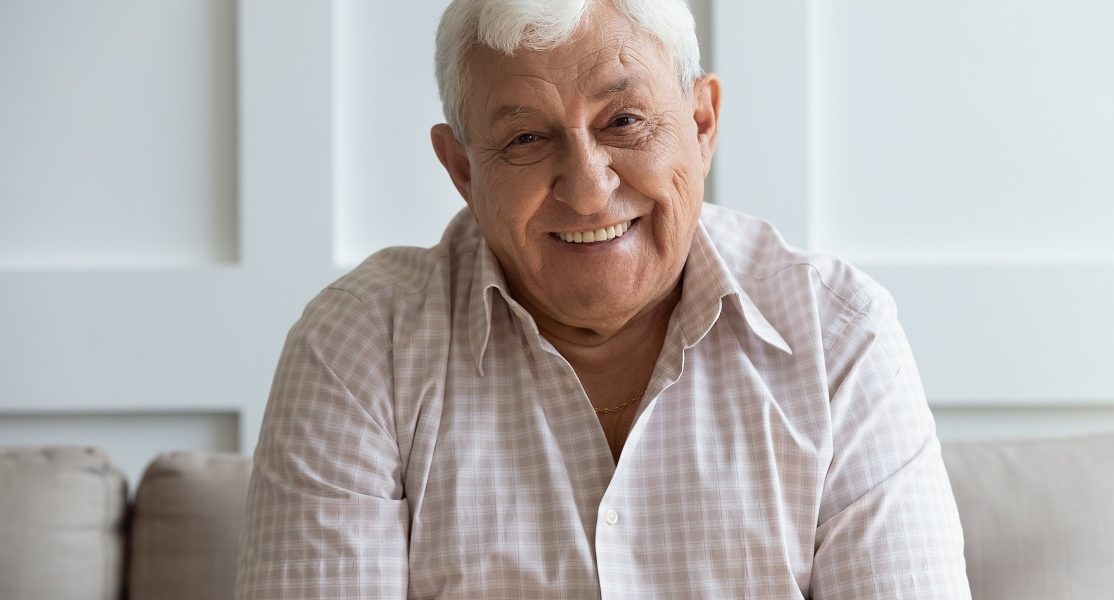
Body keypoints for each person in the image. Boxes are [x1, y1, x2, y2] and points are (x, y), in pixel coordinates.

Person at [235, 0, 972, 597]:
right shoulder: (362, 345)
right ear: (462, 168)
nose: (588, 189)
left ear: (702, 125)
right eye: (526, 137)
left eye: (625, 121)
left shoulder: (841, 334)